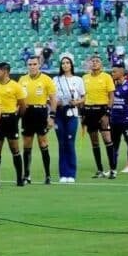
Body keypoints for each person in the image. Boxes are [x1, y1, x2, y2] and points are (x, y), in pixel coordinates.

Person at [18, 56, 58, 185]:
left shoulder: (46, 79)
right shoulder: (22, 80)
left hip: (40, 112)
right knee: (27, 145)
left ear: (39, 65)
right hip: (27, 113)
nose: (32, 66)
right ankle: (27, 175)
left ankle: (47, 175)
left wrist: (51, 116)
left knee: (43, 144)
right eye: (30, 64)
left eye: (35, 64)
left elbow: (53, 99)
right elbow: (18, 99)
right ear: (27, 65)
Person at [0, 62, 27, 186]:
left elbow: (23, 105)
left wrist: (17, 118)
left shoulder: (15, 86)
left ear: (5, 72)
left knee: (14, 148)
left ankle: (20, 179)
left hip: (10, 120)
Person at [82, 55, 117, 179]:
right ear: (89, 64)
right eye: (93, 61)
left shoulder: (107, 77)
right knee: (94, 141)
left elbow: (111, 96)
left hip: (102, 110)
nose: (95, 63)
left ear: (101, 64)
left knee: (107, 139)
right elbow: (83, 96)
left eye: (97, 61)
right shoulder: (85, 78)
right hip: (89, 111)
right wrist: (83, 113)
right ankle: (100, 170)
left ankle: (113, 169)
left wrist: (107, 112)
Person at [52, 54, 84, 183]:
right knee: (61, 143)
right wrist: (57, 103)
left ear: (71, 64)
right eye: (63, 63)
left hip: (72, 113)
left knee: (70, 142)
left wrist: (76, 102)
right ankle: (63, 173)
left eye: (67, 62)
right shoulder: (55, 80)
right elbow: (51, 98)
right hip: (59, 113)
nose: (65, 65)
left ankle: (71, 172)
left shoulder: (78, 79)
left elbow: (83, 97)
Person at [109, 63, 128, 177]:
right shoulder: (111, 85)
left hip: (126, 121)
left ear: (121, 72)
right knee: (114, 146)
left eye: (114, 71)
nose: (112, 73)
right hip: (114, 121)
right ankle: (113, 170)